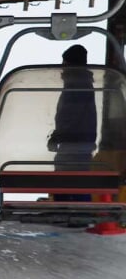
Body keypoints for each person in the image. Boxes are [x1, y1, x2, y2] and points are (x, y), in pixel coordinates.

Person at [49, 43, 98, 201]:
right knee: (74, 178)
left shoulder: (77, 85)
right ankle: (72, 207)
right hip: (77, 142)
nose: (62, 68)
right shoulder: (80, 83)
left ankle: (72, 209)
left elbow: (71, 114)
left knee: (72, 178)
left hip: (75, 143)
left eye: (65, 64)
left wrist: (58, 136)